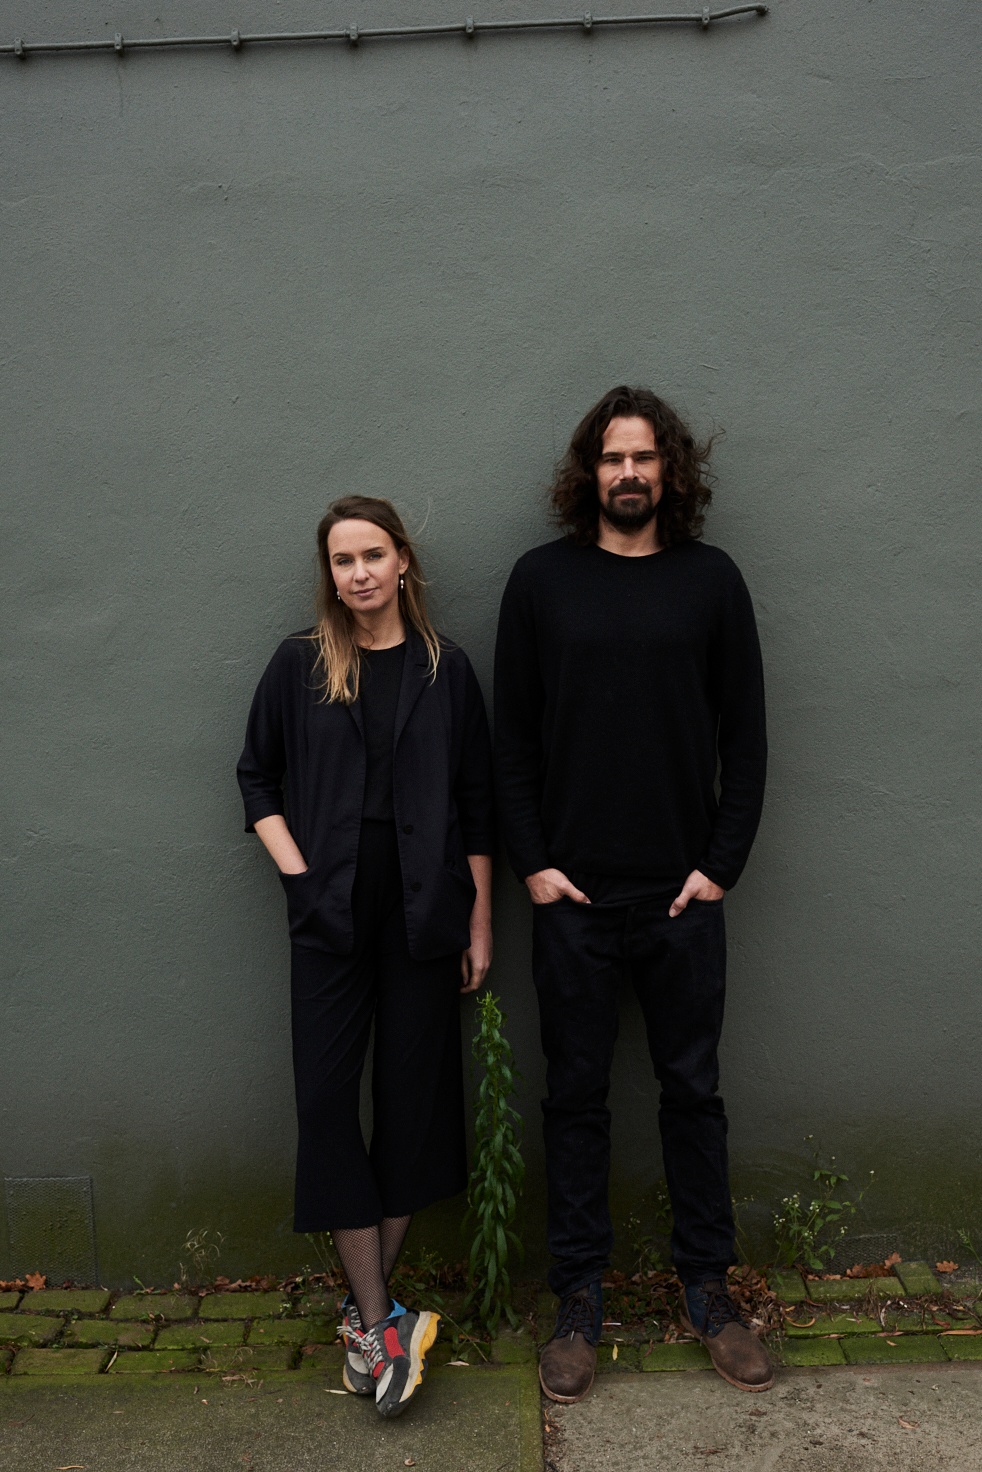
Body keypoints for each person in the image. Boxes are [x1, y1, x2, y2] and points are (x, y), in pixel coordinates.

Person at [494, 386, 771, 1403]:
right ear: (587, 470)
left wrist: (719, 865)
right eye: (613, 457)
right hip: (570, 899)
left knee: (691, 1095)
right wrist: (533, 863)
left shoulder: (711, 581)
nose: (628, 473)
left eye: (645, 458)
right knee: (574, 1100)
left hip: (680, 902)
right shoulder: (539, 582)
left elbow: (745, 738)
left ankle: (708, 1289)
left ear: (670, 472)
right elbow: (510, 741)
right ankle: (578, 1298)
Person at [237, 496, 494, 1418]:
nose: (358, 574)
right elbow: (254, 777)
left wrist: (479, 925)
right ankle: (384, 1322)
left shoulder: (446, 671)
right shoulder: (300, 666)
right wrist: (302, 881)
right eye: (342, 560)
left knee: (415, 1111)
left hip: (426, 917)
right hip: (331, 918)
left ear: (402, 563)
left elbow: (474, 802)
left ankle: (367, 1326)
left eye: (372, 555)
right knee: (325, 1103)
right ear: (330, 573)